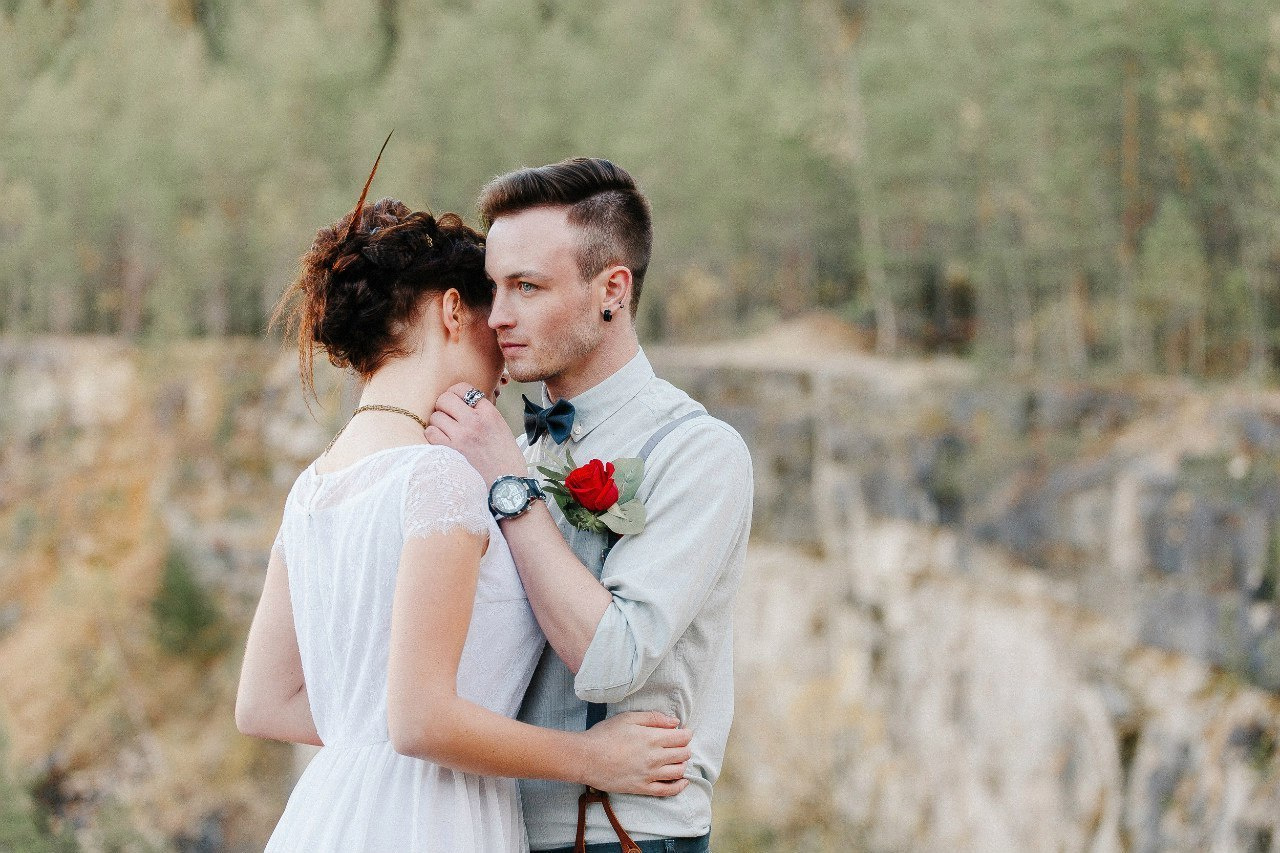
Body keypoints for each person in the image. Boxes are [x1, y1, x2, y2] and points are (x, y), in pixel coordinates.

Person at [235, 156, 693, 853]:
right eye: (490, 298)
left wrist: (373, 743)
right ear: (453, 309)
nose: (506, 330)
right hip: (430, 820)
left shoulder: (314, 487)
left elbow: (264, 702)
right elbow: (420, 720)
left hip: (328, 815)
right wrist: (594, 757)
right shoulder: (440, 479)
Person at [427, 158, 754, 853]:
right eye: (493, 288)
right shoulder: (513, 449)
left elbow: (613, 658)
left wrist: (508, 488)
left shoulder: (698, 452)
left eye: (527, 286)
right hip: (492, 827)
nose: (500, 316)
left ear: (612, 289)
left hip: (620, 834)